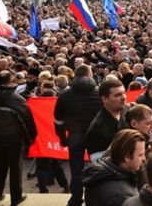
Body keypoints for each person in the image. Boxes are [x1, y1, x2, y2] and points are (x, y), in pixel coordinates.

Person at [0, 70, 37, 206]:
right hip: (13, 137)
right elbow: (27, 118)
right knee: (15, 168)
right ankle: (16, 196)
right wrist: (32, 136)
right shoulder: (15, 98)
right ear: (10, 80)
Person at [54, 64, 100, 206]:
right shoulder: (99, 93)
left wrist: (62, 138)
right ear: (89, 74)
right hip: (96, 136)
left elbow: (58, 120)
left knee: (76, 169)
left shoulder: (65, 95)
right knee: (99, 167)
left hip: (75, 136)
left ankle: (76, 199)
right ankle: (97, 198)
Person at [82, 129, 145, 206]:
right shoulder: (122, 197)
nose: (144, 159)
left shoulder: (101, 173)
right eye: (140, 155)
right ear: (127, 157)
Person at [86, 78, 127, 162]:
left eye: (124, 93)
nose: (123, 97)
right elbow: (99, 165)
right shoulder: (96, 130)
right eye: (118, 95)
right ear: (104, 99)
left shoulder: (127, 111)